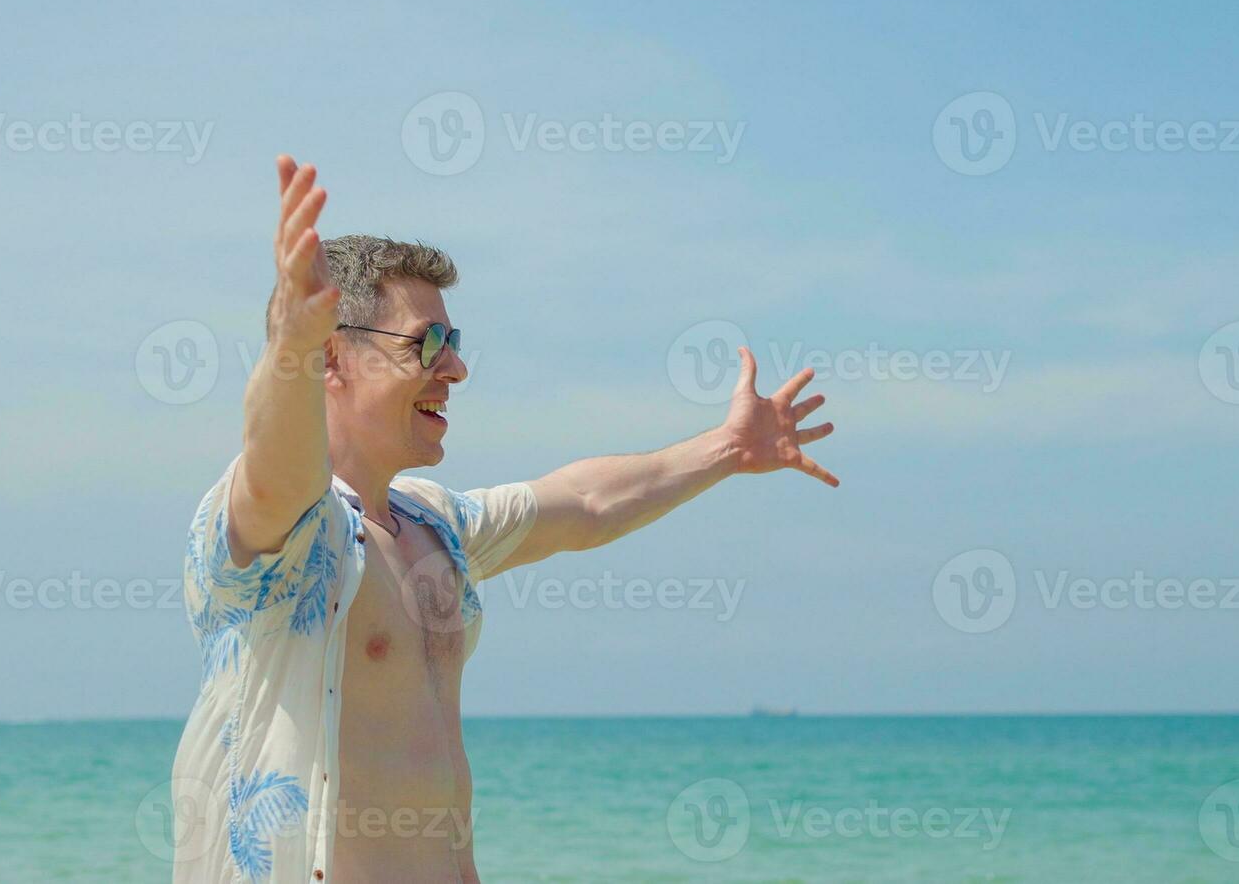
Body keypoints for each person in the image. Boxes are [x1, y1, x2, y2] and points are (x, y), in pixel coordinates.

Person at [170, 156, 839, 882]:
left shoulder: (433, 524)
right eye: (428, 345)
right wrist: (286, 351)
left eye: (454, 346)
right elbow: (275, 474)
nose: (454, 371)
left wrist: (726, 448)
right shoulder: (286, 539)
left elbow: (582, 504)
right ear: (334, 357)